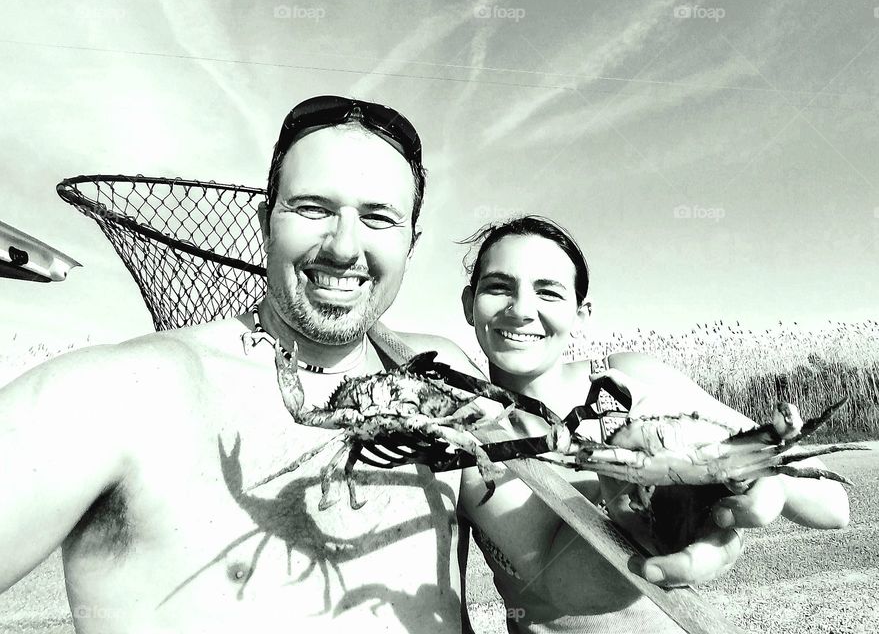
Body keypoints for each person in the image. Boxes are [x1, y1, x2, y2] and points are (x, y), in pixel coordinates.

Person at [2, 96, 764, 633]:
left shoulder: (445, 381)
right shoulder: (110, 394)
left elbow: (551, 571)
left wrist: (662, 522)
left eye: (377, 217)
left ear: (409, 241)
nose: (343, 245)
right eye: (312, 208)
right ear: (265, 219)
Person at [458, 215, 851, 633]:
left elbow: (833, 507)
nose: (520, 310)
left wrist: (741, 473)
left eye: (549, 292)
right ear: (469, 303)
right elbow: (559, 585)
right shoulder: (464, 427)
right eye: (499, 287)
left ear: (581, 314)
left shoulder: (634, 379)